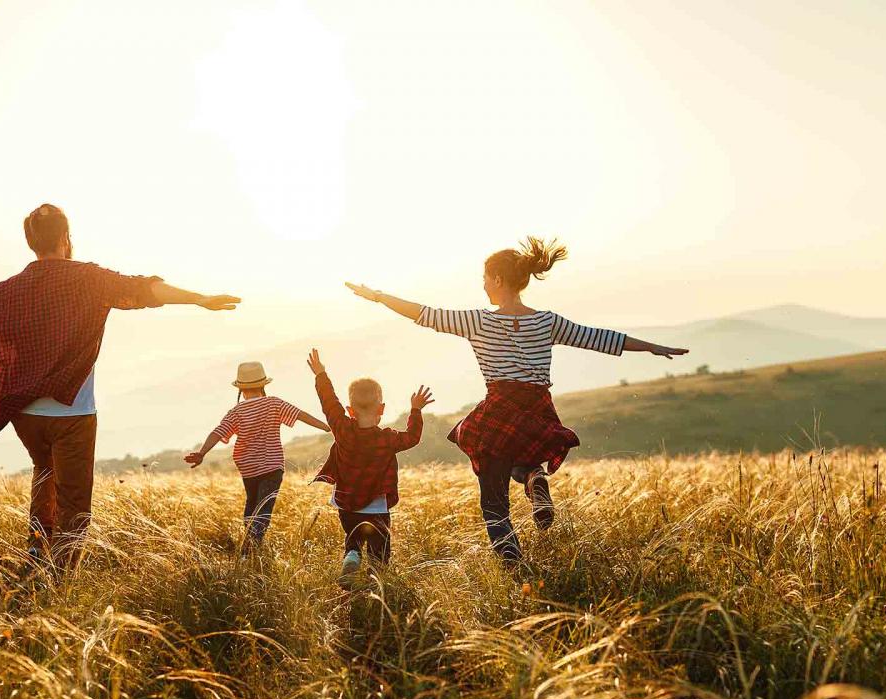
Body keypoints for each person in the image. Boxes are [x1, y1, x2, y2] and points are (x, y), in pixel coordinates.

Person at [0, 203, 240, 567]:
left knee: (44, 471)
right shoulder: (89, 279)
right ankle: (60, 579)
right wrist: (199, 299)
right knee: (74, 502)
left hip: (25, 415)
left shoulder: (6, 291)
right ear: (65, 237)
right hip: (73, 413)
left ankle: (36, 550)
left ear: (32, 242)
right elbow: (144, 289)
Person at [344, 237, 687, 565]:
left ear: (496, 278)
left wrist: (377, 297)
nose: (482, 285)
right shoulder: (547, 321)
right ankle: (534, 479)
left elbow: (423, 313)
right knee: (522, 457)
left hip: (499, 408)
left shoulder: (478, 320)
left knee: (493, 499)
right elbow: (599, 338)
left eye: (484, 278)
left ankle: (511, 562)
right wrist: (652, 347)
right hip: (538, 408)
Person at [306, 348, 433, 588]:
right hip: (376, 505)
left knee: (353, 537)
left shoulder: (342, 429)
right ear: (382, 409)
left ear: (350, 410)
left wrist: (321, 375)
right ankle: (376, 581)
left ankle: (352, 555)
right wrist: (415, 410)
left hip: (346, 502)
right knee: (379, 547)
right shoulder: (387, 439)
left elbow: (329, 403)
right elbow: (413, 437)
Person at [184, 361, 330, 552]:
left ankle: (249, 546)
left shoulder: (236, 412)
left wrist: (202, 453)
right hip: (272, 466)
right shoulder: (274, 403)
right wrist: (327, 427)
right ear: (263, 385)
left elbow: (218, 432)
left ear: (241, 389)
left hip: (248, 469)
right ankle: (251, 548)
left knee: (252, 505)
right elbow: (300, 415)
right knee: (264, 508)